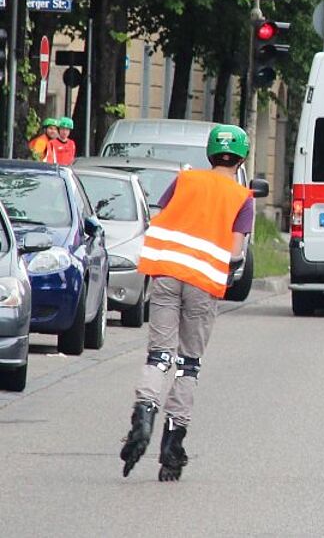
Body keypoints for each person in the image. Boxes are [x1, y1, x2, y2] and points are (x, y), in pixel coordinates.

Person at [119, 124, 254, 481]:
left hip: (166, 273)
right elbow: (236, 252)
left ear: (210, 153)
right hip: (203, 283)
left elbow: (162, 218)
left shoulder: (185, 179)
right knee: (187, 364)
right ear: (241, 158)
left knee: (159, 355)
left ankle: (144, 412)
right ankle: (172, 446)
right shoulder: (242, 198)